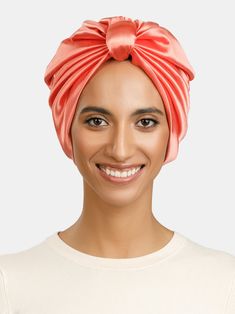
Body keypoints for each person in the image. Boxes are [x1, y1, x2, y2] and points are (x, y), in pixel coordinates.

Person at [0, 15, 234, 313]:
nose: (120, 150)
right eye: (97, 121)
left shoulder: (224, 285)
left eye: (145, 122)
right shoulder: (10, 286)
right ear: (66, 128)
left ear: (171, 132)